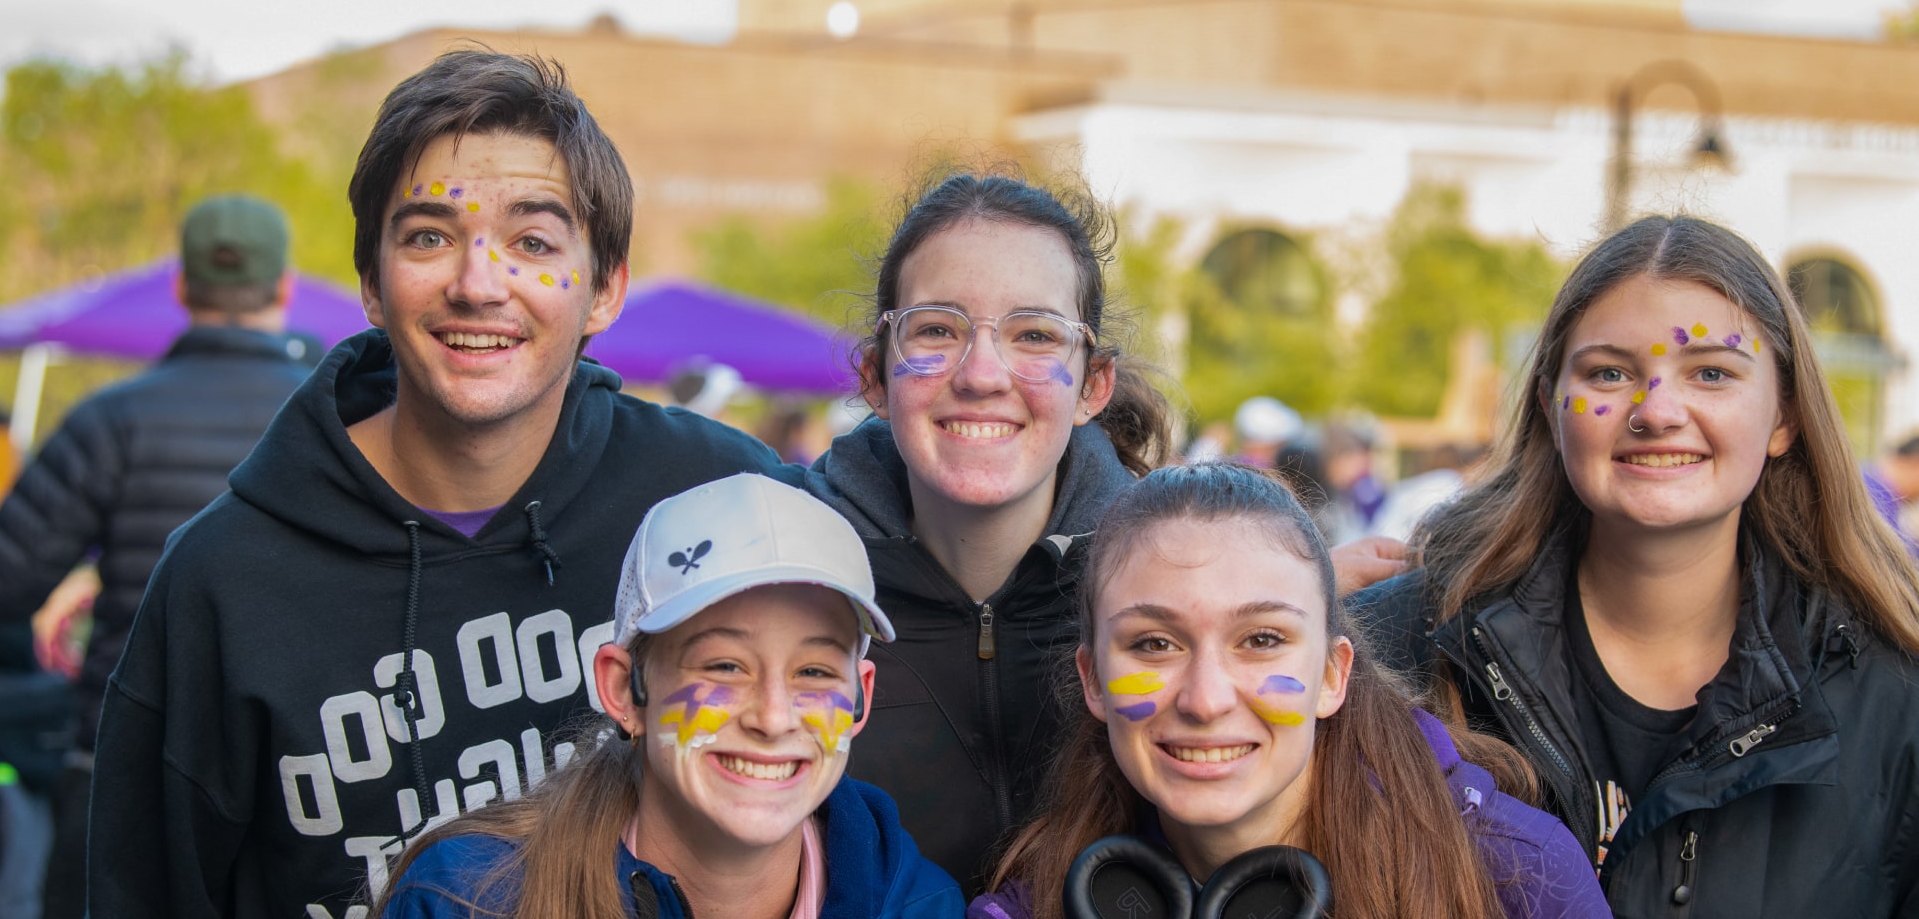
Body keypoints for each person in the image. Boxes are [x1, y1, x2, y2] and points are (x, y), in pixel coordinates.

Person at [87, 52, 786, 919]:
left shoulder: (722, 499)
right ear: (371, 284)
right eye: (427, 236)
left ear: (605, 288)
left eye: (532, 242)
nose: (476, 283)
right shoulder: (220, 579)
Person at [804, 173, 1406, 893]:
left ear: (1094, 385)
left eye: (1034, 334)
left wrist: (1279, 603)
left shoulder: (1174, 584)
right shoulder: (787, 584)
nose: (983, 373)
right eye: (937, 328)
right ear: (874, 374)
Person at [1348, 216, 1919, 916]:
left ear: (1784, 416)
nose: (1658, 411)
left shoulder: (1894, 693)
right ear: (1548, 402)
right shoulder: (1388, 650)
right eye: (1609, 372)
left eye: (1711, 373)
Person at [974, 463, 1608, 919]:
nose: (1206, 699)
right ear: (1093, 681)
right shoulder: (1036, 900)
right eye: (1155, 644)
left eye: (1260, 640)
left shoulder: (1520, 877)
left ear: (1332, 675)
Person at [374, 473, 963, 919]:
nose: (774, 717)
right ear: (622, 690)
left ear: (859, 698)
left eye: (813, 672)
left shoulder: (925, 905)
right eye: (725, 665)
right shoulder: (465, 899)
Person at [0, 194, 316, 919]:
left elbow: (8, 579)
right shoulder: (342, 422)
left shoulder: (111, 419)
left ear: (181, 285)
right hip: (300, 770)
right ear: (285, 287)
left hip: (122, 767)